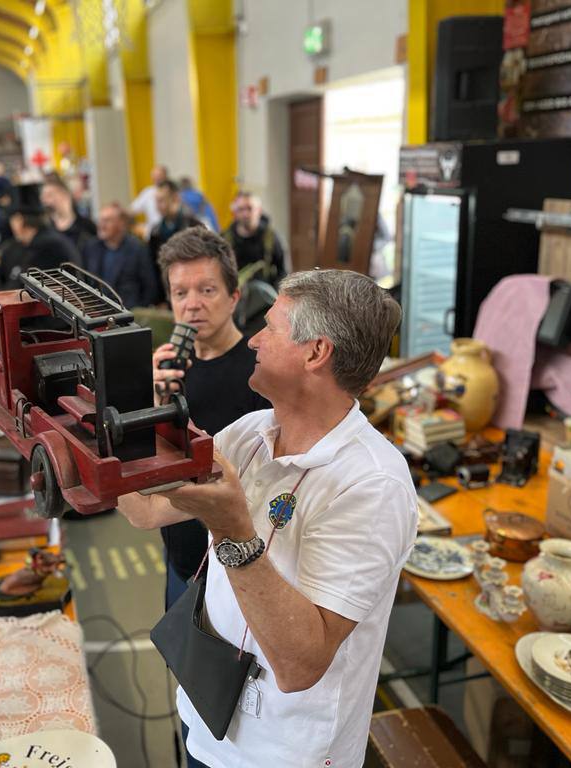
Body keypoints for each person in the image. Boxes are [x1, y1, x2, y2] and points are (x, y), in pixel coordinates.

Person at [117, 269, 415, 767]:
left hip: (284, 753)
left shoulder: (373, 484)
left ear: (315, 352)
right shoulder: (251, 433)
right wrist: (122, 418)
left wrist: (233, 530)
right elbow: (145, 510)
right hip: (208, 717)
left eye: (271, 327)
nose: (253, 338)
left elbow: (301, 666)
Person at [151, 227, 270, 612]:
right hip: (178, 558)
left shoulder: (261, 371)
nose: (192, 305)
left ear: (234, 297)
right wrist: (149, 402)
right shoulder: (164, 370)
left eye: (207, 290)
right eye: (180, 292)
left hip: (239, 567)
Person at [82, 203, 157, 308]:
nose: (101, 225)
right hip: (97, 312)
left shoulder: (137, 249)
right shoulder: (91, 247)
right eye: (100, 220)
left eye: (107, 221)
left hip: (128, 313)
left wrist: (138, 311)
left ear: (121, 224)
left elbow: (150, 286)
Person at [148, 179, 201, 303]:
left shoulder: (195, 227)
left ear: (176, 198)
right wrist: (158, 300)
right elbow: (154, 269)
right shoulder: (155, 232)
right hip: (168, 295)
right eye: (156, 201)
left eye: (161, 200)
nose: (157, 205)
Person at [222, 191, 288, 287]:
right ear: (235, 213)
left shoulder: (271, 238)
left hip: (265, 297)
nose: (245, 214)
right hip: (234, 297)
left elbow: (283, 272)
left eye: (250, 208)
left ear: (259, 210)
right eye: (241, 209)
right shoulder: (224, 239)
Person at [41, 175, 97, 253]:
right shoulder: (45, 229)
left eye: (49, 195)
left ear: (64, 194)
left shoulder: (87, 226)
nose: (44, 200)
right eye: (43, 196)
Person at [129, 164, 168, 239]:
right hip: (153, 235)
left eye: (159, 175)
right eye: (154, 175)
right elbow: (132, 210)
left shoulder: (174, 192)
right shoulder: (148, 193)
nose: (156, 178)